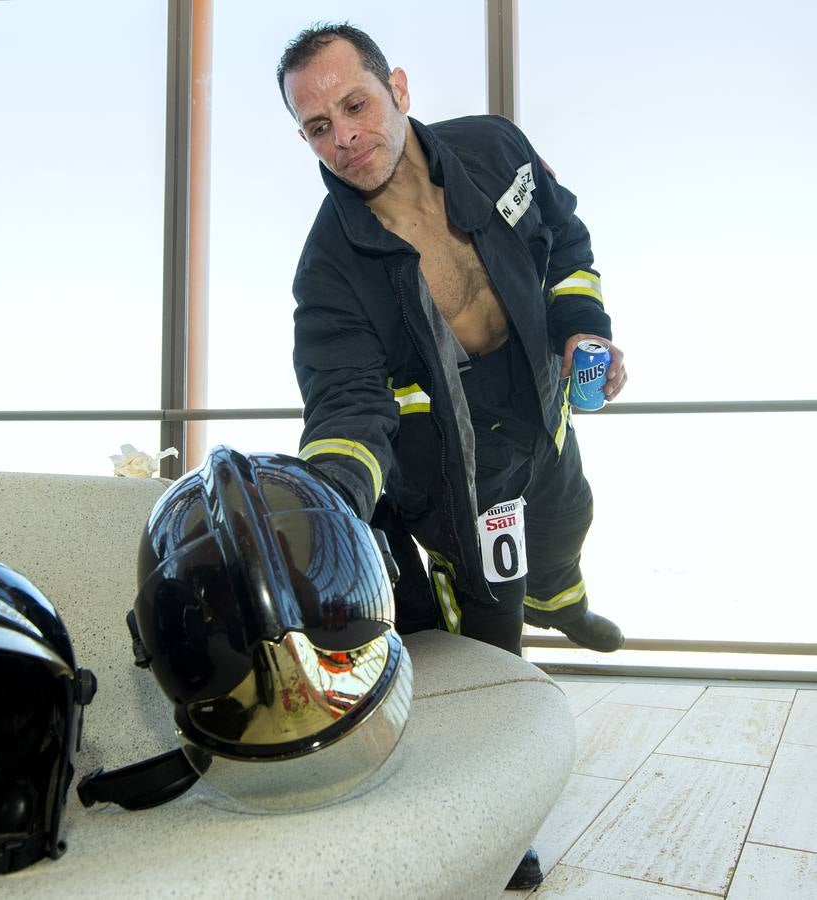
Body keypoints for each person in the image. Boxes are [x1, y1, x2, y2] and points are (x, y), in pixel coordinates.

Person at [277, 25, 624, 888]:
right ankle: (497, 825)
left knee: (570, 518)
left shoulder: (493, 146)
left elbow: (565, 238)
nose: (343, 136)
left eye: (353, 104)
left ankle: (563, 597)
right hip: (460, 471)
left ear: (395, 87)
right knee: (492, 649)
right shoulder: (329, 270)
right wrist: (326, 509)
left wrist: (587, 327)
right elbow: (345, 407)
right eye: (317, 126)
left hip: (539, 412)